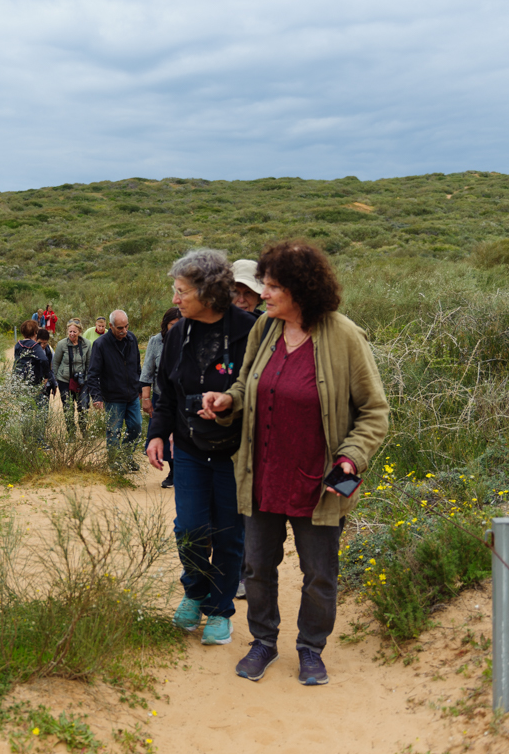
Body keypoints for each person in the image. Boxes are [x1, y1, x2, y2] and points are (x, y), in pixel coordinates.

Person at [201, 240, 389, 686]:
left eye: (273, 286)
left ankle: (310, 649)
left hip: (318, 482)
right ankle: (263, 642)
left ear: (301, 290)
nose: (263, 294)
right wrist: (228, 399)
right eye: (264, 284)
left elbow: (375, 411)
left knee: (319, 574)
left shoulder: (345, 336)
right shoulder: (264, 330)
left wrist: (351, 458)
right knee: (257, 568)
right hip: (264, 475)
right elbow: (247, 386)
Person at [145, 250, 255, 647]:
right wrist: (157, 433)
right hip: (190, 449)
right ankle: (195, 592)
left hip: (235, 453)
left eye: (181, 291)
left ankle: (221, 610)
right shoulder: (177, 334)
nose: (175, 299)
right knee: (189, 529)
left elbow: (260, 394)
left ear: (208, 293)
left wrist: (228, 404)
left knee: (228, 535)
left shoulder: (250, 331)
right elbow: (166, 394)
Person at [86, 309, 141, 470]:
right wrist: (96, 396)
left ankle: (126, 456)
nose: (124, 331)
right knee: (114, 432)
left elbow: (137, 365)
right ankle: (114, 463)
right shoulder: (100, 344)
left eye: (126, 326)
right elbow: (93, 373)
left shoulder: (132, 339)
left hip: (132, 395)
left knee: (136, 427)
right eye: (119, 328)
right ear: (110, 326)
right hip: (113, 396)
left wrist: (138, 386)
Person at [139, 306, 181, 488]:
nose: (177, 328)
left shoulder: (191, 339)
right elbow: (147, 371)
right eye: (173, 324)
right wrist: (146, 399)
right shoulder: (156, 341)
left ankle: (182, 472)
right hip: (162, 396)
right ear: (165, 325)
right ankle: (173, 472)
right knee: (163, 435)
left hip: (185, 396)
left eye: (180, 324)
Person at [52, 319, 91, 438]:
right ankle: (71, 433)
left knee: (83, 406)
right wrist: (56, 380)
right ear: (67, 331)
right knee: (68, 408)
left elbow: (90, 363)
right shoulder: (61, 344)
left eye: (74, 331)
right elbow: (55, 363)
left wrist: (88, 378)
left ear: (79, 331)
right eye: (70, 331)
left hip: (82, 381)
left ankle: (84, 430)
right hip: (65, 380)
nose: (72, 334)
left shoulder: (87, 344)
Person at [12, 319, 51, 392]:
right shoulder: (35, 346)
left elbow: (16, 359)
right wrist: (46, 376)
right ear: (34, 332)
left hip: (19, 378)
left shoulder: (18, 344)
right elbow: (44, 359)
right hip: (32, 380)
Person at [36, 327, 57, 407]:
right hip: (35, 384)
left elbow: (53, 367)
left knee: (44, 409)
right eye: (40, 343)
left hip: (46, 385)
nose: (42, 345)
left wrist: (54, 383)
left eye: (45, 343)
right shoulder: (32, 350)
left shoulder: (50, 351)